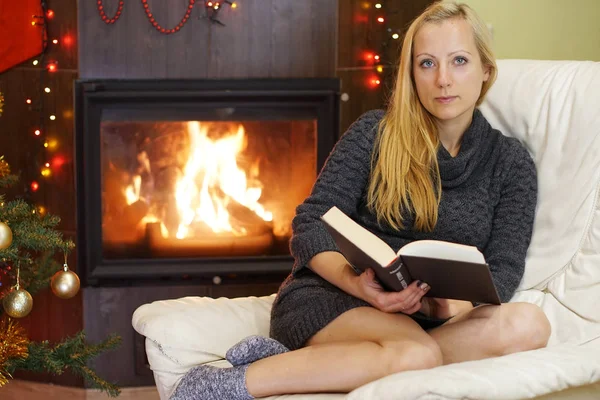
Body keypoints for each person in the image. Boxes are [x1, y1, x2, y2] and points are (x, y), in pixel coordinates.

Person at [171, 2, 551, 399]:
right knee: (416, 355)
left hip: (430, 319)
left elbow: (502, 271)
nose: (443, 80)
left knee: (529, 325)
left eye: (459, 61)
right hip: (340, 296)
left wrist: (442, 308)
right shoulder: (375, 133)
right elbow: (311, 223)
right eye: (426, 63)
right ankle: (227, 383)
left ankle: (307, 363)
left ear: (486, 70)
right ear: (411, 74)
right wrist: (359, 284)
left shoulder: (510, 163)